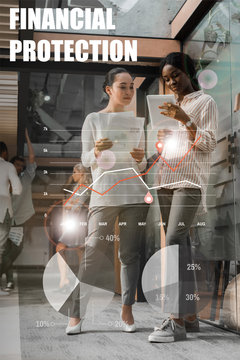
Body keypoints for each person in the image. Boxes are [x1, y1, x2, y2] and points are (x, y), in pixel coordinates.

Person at [66, 67, 149, 335]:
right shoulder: (93, 120)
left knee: (129, 255)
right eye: (122, 86)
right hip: (104, 193)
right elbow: (86, 161)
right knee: (93, 253)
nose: (127, 91)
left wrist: (140, 158)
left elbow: (143, 163)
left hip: (134, 194)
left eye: (131, 87)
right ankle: (76, 313)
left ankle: (127, 309)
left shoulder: (137, 122)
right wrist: (96, 150)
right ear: (108, 89)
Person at [148, 52, 218, 343]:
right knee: (182, 246)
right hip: (166, 180)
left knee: (174, 242)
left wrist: (185, 119)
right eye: (166, 79)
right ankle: (190, 317)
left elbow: (209, 142)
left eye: (175, 74)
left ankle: (174, 318)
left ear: (189, 71)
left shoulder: (205, 102)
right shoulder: (170, 106)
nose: (171, 82)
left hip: (189, 182)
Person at [0, 129, 36, 291]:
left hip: (19, 220)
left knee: (14, 250)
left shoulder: (26, 178)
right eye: (17, 165)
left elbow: (32, 158)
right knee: (4, 251)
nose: (20, 168)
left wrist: (27, 137)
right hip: (4, 217)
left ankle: (6, 279)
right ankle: (9, 282)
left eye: (22, 166)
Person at [55, 162, 91, 291]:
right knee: (79, 250)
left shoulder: (85, 187)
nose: (73, 174)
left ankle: (67, 281)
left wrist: (70, 205)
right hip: (75, 223)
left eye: (75, 172)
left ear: (81, 173)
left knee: (63, 248)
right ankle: (70, 281)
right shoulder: (78, 186)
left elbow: (77, 206)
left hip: (78, 223)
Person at [0, 141, 22, 295]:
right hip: (3, 210)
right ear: (5, 153)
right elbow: (18, 190)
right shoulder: (8, 166)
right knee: (1, 249)